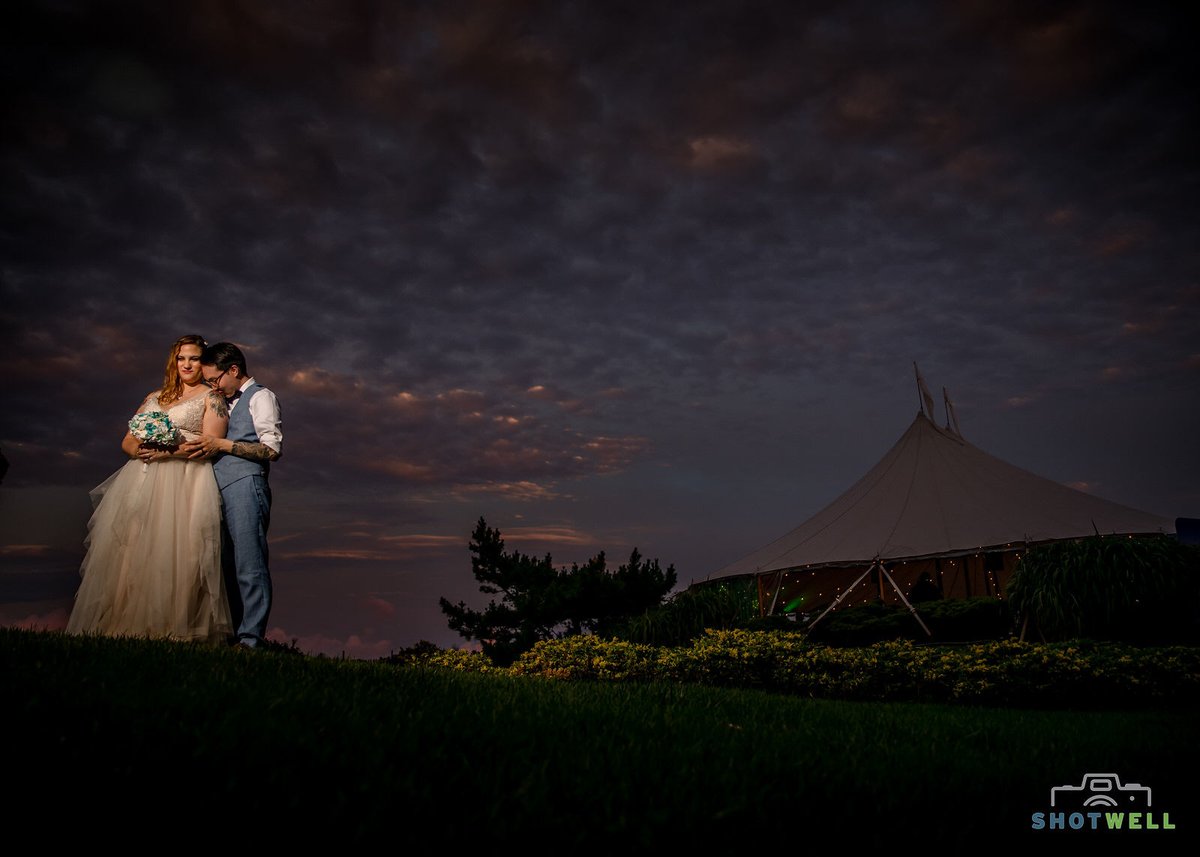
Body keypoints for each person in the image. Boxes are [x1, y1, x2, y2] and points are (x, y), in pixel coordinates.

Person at [66, 334, 233, 643]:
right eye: (182, 358)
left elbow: (209, 445)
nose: (187, 364)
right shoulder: (156, 396)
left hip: (185, 479)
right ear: (174, 361)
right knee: (133, 548)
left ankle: (173, 627)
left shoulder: (212, 398)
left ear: (203, 362)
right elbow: (128, 441)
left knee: (178, 548)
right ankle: (124, 625)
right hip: (142, 477)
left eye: (194, 358)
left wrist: (167, 451)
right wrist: (144, 449)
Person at [183, 342, 283, 649]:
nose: (214, 385)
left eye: (216, 379)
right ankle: (231, 634)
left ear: (234, 370)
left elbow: (272, 449)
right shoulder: (221, 400)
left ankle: (251, 639)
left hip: (246, 485)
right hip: (216, 488)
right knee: (223, 563)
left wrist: (224, 446)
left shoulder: (261, 396)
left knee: (249, 563)